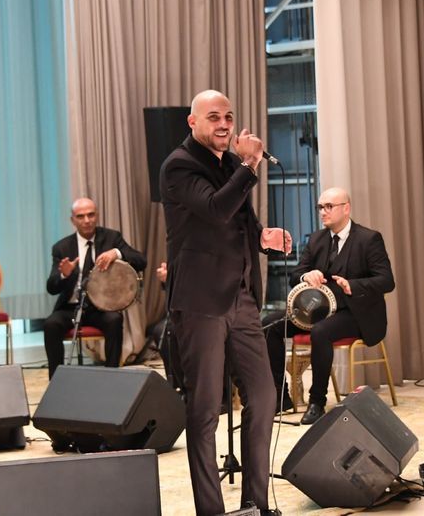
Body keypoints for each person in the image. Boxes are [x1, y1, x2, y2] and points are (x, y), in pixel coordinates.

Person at [160, 90, 292, 516]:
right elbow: (216, 209)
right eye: (213, 116)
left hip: (242, 298)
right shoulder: (179, 165)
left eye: (229, 117)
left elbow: (240, 222)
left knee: (264, 395)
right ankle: (211, 511)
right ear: (193, 122)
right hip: (200, 302)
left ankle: (255, 504)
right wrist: (250, 164)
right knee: (205, 411)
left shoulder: (232, 165)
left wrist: (264, 238)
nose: (223, 124)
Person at [264, 187, 394, 424]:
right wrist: (306, 276)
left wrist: (352, 285)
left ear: (346, 208)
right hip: (319, 311)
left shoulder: (369, 239)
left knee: (321, 331)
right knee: (270, 324)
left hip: (356, 314)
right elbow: (296, 274)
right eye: (320, 207)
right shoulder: (317, 239)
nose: (323, 212)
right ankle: (281, 397)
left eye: (329, 207)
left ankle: (317, 402)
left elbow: (387, 281)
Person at [44, 198, 147, 378]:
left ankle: (111, 377)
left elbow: (141, 261)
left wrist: (117, 252)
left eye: (91, 215)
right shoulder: (61, 247)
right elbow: (51, 288)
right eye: (81, 216)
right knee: (51, 324)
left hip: (101, 309)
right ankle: (56, 379)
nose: (87, 220)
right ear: (72, 220)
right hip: (71, 307)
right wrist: (64, 275)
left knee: (114, 320)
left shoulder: (112, 238)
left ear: (97, 216)